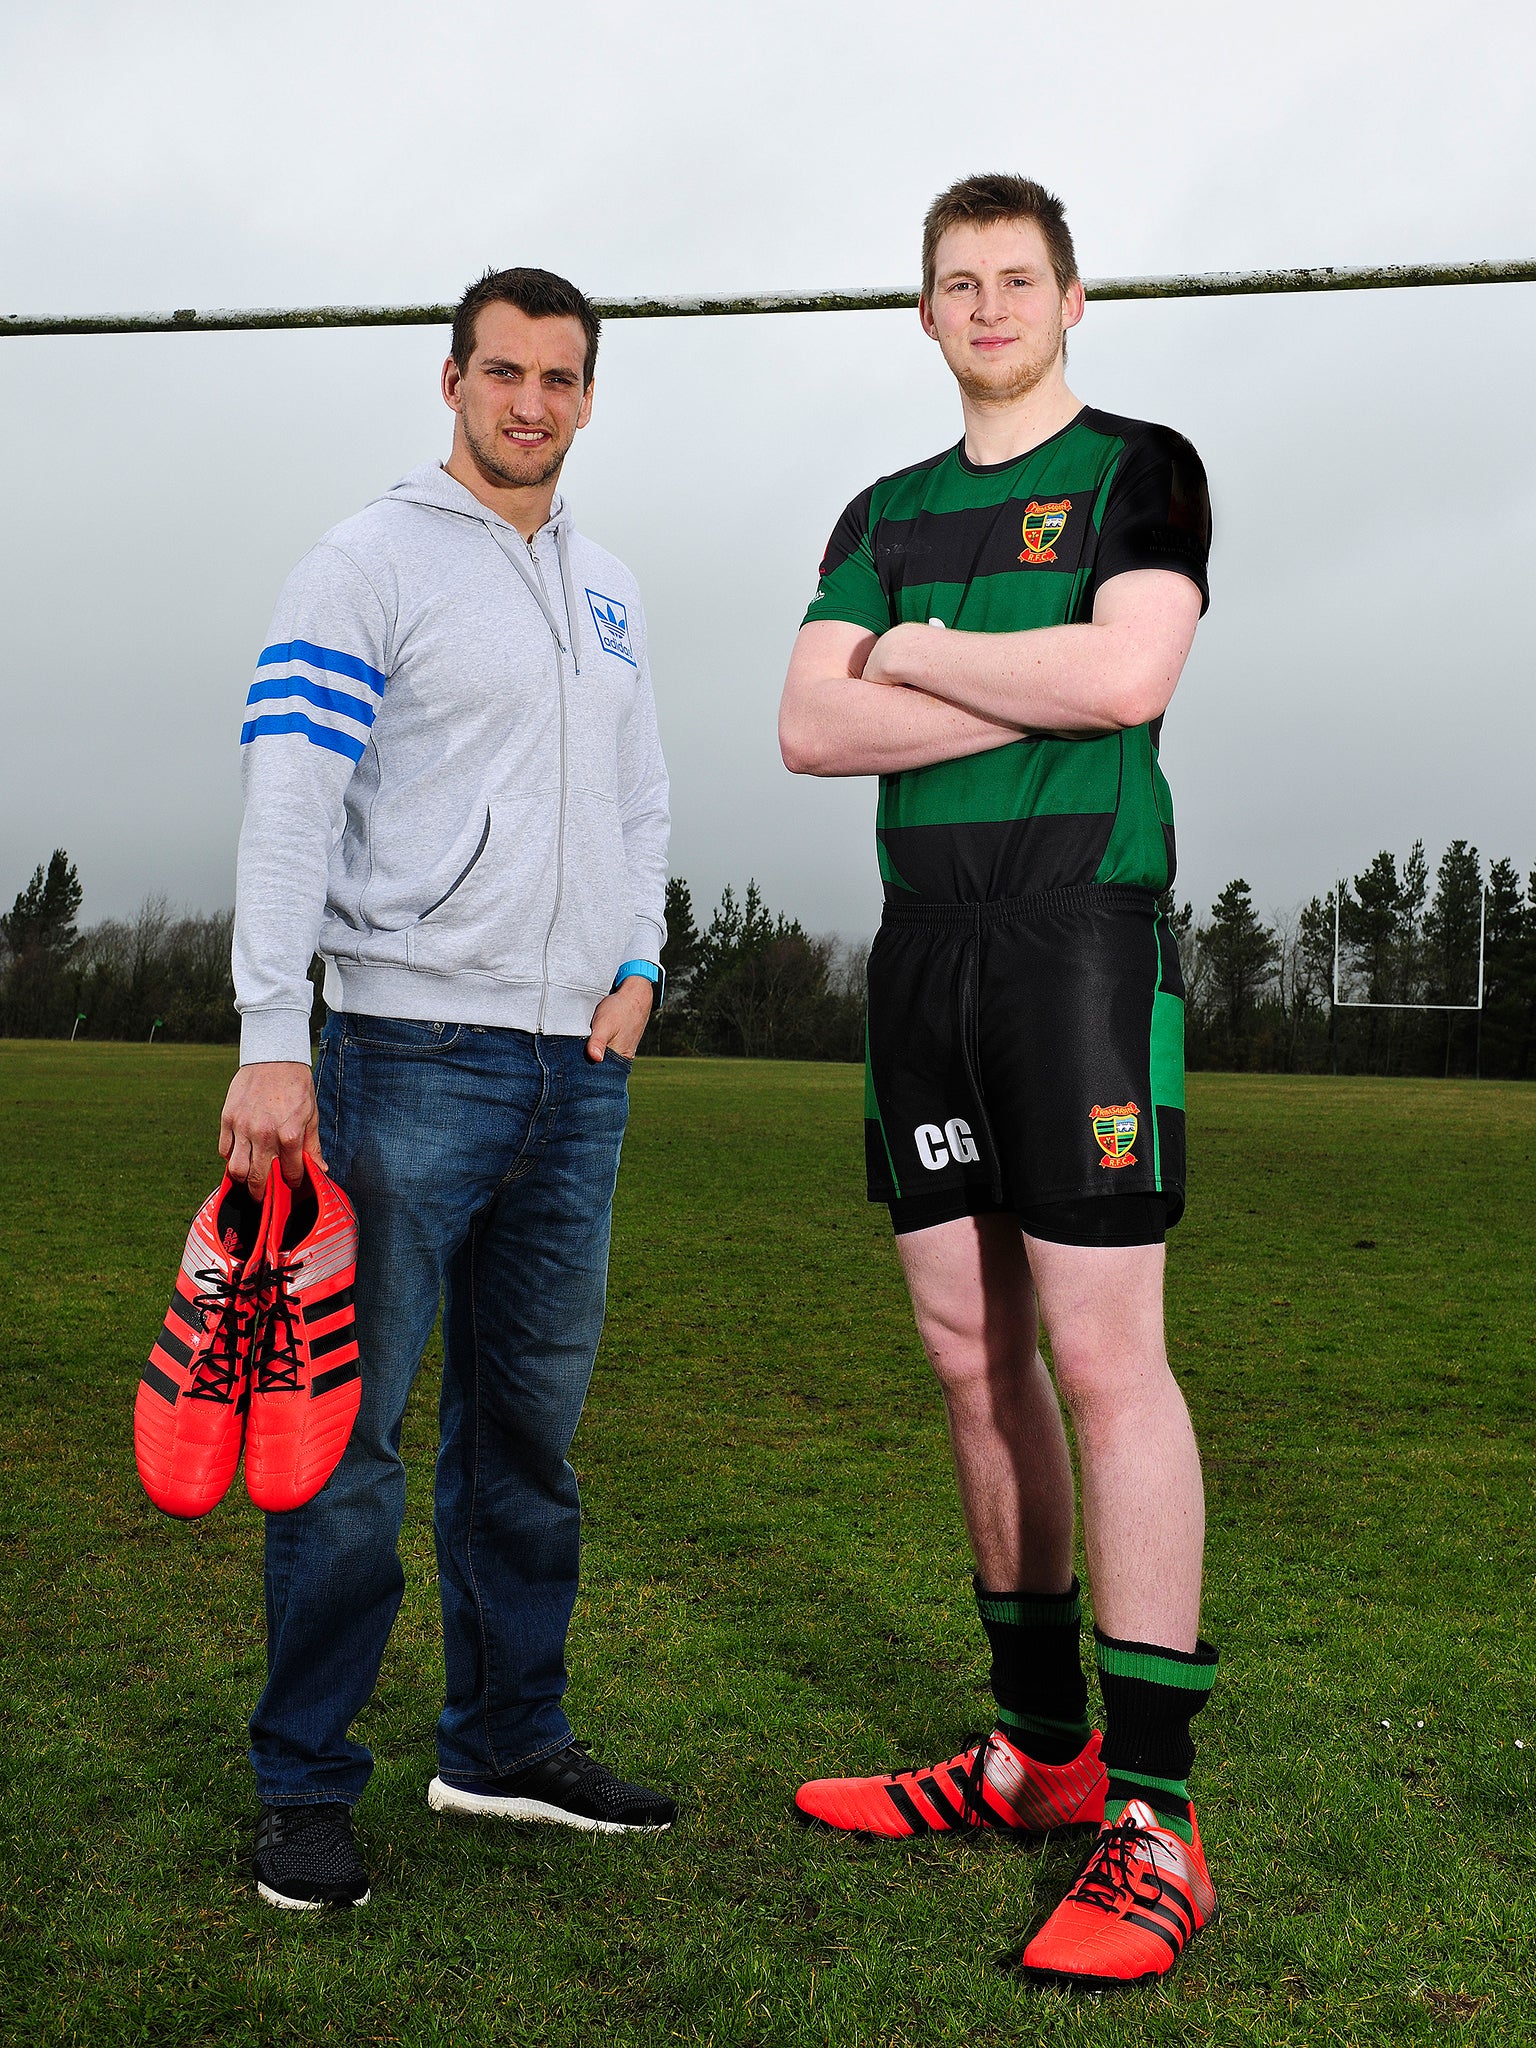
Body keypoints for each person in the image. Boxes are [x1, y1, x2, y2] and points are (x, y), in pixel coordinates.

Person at [778, 174, 1217, 1992]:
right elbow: (812, 727)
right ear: (927, 309)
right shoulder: (882, 509)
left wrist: (937, 659)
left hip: (1079, 945)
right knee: (972, 1353)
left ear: (1071, 296)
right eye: (956, 282)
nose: (986, 305)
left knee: (1108, 1360)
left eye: (1014, 278)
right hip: (922, 958)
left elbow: (1131, 674)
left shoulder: (1143, 467)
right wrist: (1023, 681)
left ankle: (1160, 1823)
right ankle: (1044, 1755)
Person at [223, 265, 675, 1910]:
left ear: (587, 393)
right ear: (452, 380)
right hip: (403, 1054)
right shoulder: (366, 562)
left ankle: (500, 1744)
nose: (531, 404)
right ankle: (303, 1785)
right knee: (347, 1437)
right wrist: (276, 1032)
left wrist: (636, 968)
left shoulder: (608, 585)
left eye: (560, 378)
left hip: (577, 1075)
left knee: (528, 1440)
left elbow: (642, 803)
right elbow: (291, 800)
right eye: (504, 373)